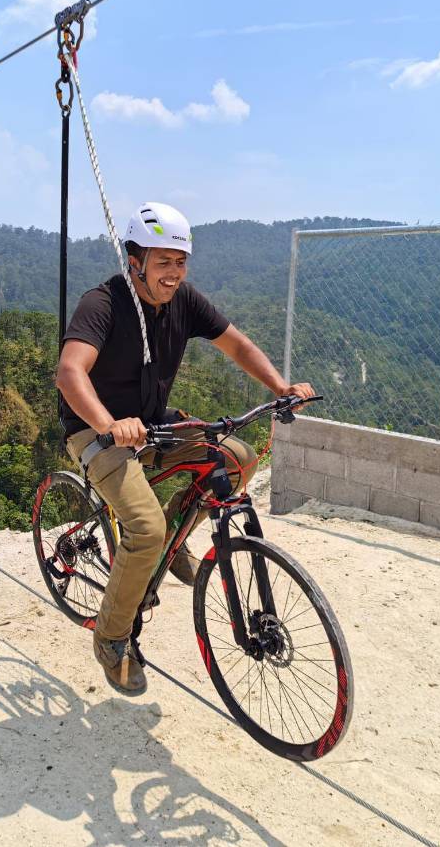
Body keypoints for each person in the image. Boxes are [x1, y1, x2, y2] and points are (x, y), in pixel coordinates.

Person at [56, 202, 314, 695]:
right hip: (97, 431)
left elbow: (236, 345)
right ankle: (112, 638)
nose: (173, 273)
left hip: (154, 425)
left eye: (180, 261)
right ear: (135, 261)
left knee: (238, 459)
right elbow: (70, 373)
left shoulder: (184, 301)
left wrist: (279, 386)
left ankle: (176, 536)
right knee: (144, 528)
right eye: (162, 262)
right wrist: (110, 424)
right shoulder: (102, 304)